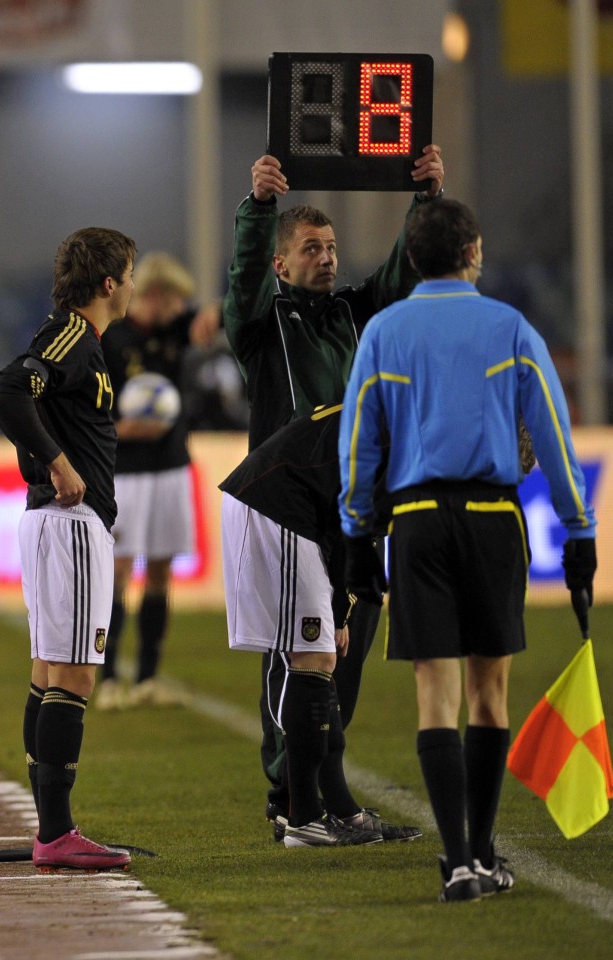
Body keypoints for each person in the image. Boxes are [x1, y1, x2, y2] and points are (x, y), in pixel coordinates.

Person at [338, 198, 597, 902]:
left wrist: (359, 530)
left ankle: (455, 861)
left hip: (416, 520)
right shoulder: (510, 328)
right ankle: (481, 852)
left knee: (434, 690)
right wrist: (578, 532)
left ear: (413, 257)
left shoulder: (385, 332)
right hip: (491, 517)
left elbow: (357, 438)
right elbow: (550, 433)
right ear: (472, 251)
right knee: (488, 691)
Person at [221, 146, 444, 834]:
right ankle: (292, 792)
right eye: (310, 248)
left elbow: (404, 272)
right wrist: (258, 210)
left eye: (331, 246)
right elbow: (242, 280)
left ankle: (329, 794)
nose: (326, 257)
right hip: (289, 506)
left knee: (341, 655)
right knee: (298, 654)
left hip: (351, 506)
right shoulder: (263, 327)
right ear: (282, 265)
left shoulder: (355, 313)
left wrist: (425, 200)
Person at [0, 226, 136, 872]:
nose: (131, 285)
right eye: (128, 274)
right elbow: (7, 391)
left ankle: (50, 824)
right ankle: (55, 832)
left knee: (50, 671)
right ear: (108, 283)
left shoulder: (83, 343)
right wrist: (57, 462)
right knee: (72, 673)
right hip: (68, 523)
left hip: (58, 524)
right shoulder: (72, 336)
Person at [220, 404, 420, 846]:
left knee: (319, 659)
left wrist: (339, 607)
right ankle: (303, 817)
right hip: (279, 506)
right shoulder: (409, 431)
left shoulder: (394, 411)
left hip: (285, 505)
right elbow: (357, 519)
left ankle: (336, 808)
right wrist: (341, 606)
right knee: (312, 657)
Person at [96, 253, 219, 710]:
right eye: (174, 298)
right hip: (124, 472)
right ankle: (108, 679)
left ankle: (147, 676)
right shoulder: (112, 337)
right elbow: (87, 403)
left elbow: (213, 315)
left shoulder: (175, 328)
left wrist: (213, 314)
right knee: (120, 572)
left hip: (170, 465)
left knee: (161, 573)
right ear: (155, 294)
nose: (180, 307)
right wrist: (115, 429)